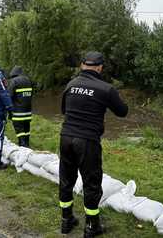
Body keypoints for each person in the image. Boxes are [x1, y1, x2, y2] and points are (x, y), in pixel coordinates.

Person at [59, 52, 128, 237]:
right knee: (91, 182)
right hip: (87, 141)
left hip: (66, 137)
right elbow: (123, 111)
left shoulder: (71, 84)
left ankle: (66, 220)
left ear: (82, 65)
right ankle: (91, 226)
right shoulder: (105, 89)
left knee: (66, 179)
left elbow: (64, 109)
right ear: (100, 67)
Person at [8, 66, 33, 147]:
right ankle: (27, 143)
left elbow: (9, 96)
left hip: (18, 113)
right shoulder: (28, 80)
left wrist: (9, 111)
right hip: (28, 112)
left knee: (19, 129)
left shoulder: (14, 81)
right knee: (26, 128)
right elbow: (31, 95)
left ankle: (23, 144)